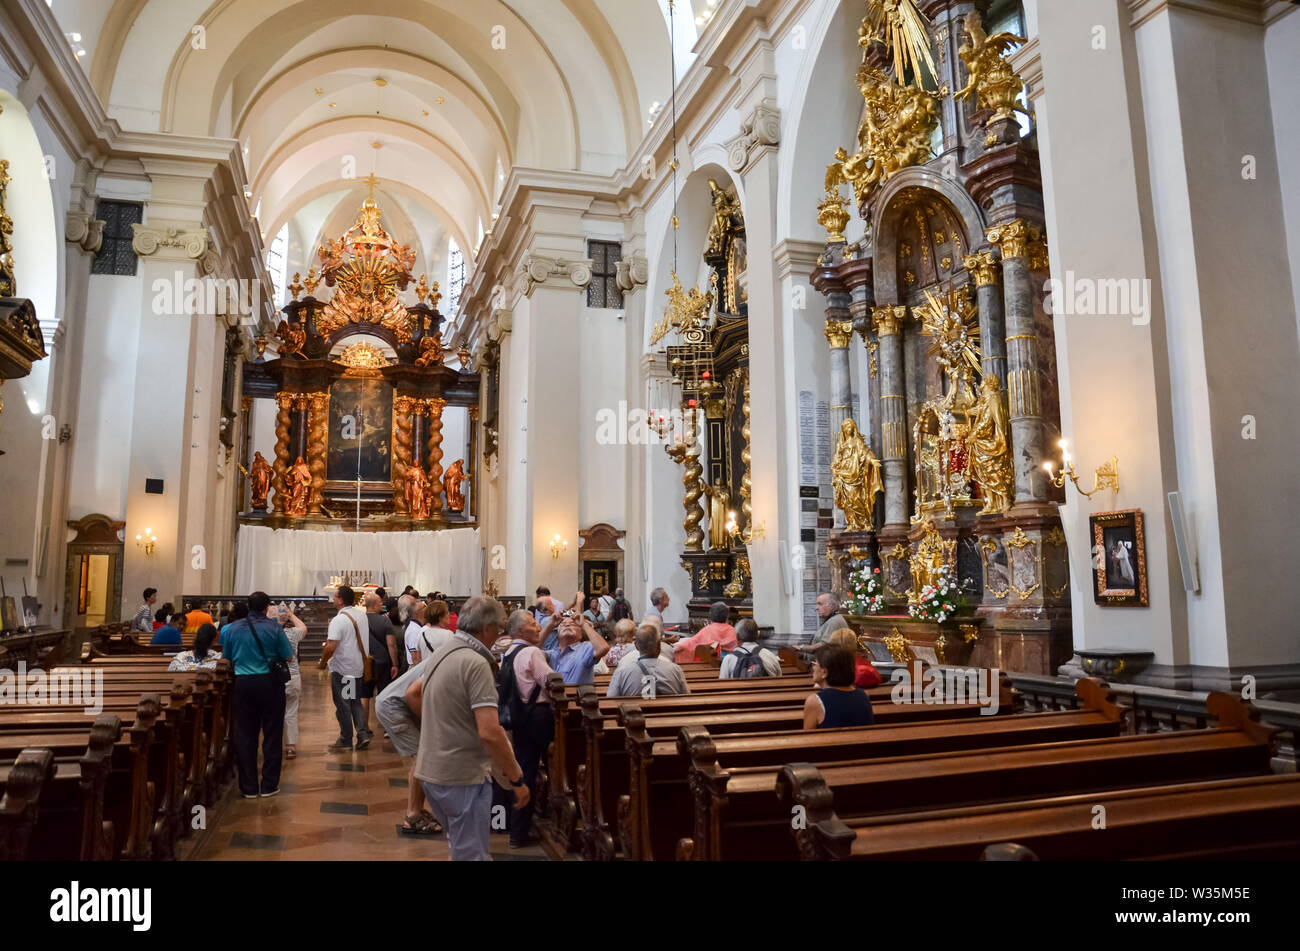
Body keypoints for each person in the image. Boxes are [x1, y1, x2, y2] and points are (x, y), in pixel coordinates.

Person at [406, 596, 528, 861]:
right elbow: (490, 732)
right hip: (461, 778)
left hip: (432, 773)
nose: (500, 634)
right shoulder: (474, 662)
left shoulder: (445, 651)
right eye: (499, 627)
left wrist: (446, 727)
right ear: (486, 628)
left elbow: (413, 692)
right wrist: (516, 779)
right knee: (472, 856)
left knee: (460, 848)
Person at [220, 592, 295, 797]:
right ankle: (269, 785)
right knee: (272, 733)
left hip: (243, 683)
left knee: (245, 734)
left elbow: (226, 657)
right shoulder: (274, 628)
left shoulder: (232, 629)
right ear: (266, 608)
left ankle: (249, 787)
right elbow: (288, 656)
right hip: (270, 684)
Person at [498, 610, 555, 848]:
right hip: (538, 717)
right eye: (533, 624)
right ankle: (546, 818)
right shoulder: (532, 652)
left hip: (519, 716)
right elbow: (551, 681)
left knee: (525, 771)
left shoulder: (508, 652)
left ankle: (518, 830)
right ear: (520, 630)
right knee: (550, 766)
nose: (538, 627)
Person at [376, 658, 442, 836]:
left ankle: (417, 810)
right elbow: (412, 694)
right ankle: (412, 815)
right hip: (395, 707)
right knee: (422, 758)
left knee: (423, 758)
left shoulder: (451, 652)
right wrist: (433, 724)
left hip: (399, 704)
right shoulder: (451, 657)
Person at [322, 585, 373, 753]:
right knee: (354, 701)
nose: (333, 599)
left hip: (343, 669)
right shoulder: (361, 616)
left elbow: (331, 647)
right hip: (357, 667)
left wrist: (322, 663)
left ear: (341, 600)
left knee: (344, 704)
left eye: (335, 596)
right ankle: (362, 734)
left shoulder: (339, 620)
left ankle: (345, 738)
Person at [606, 624, 689, 698]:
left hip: (636, 714)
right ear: (659, 647)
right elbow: (687, 697)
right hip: (669, 714)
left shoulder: (622, 671)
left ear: (636, 646)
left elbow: (611, 699)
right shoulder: (675, 670)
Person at [803, 645, 874, 730]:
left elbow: (808, 739)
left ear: (824, 672)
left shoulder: (815, 701)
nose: (813, 668)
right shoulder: (863, 695)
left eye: (815, 664)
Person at [360, 591, 398, 731]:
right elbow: (391, 644)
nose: (382, 604)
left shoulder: (359, 620)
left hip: (365, 663)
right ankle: (386, 726)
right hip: (383, 662)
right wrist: (395, 664)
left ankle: (364, 727)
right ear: (375, 605)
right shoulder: (385, 621)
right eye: (381, 602)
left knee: (364, 695)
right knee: (384, 694)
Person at [547, 603, 609, 686]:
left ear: (580, 634)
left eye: (573, 624)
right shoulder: (552, 653)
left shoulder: (585, 648)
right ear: (557, 635)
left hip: (575, 697)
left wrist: (583, 624)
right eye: (563, 625)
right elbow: (529, 651)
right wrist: (550, 626)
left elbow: (603, 648)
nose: (567, 625)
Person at [274, 604, 306, 759]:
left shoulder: (269, 633)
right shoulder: (293, 633)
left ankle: (273, 744)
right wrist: (291, 614)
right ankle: (290, 746)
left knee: (273, 713)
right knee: (291, 712)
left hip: (274, 677)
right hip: (292, 676)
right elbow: (303, 627)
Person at [670, 601, 738, 662]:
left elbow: (690, 643)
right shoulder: (733, 631)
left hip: (710, 666)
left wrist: (671, 649)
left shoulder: (707, 630)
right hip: (731, 665)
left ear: (711, 616)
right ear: (727, 616)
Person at [409, 599, 454, 664]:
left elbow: (418, 660)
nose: (449, 615)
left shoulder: (422, 634)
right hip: (443, 672)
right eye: (447, 612)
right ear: (440, 617)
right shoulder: (449, 635)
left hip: (427, 672)